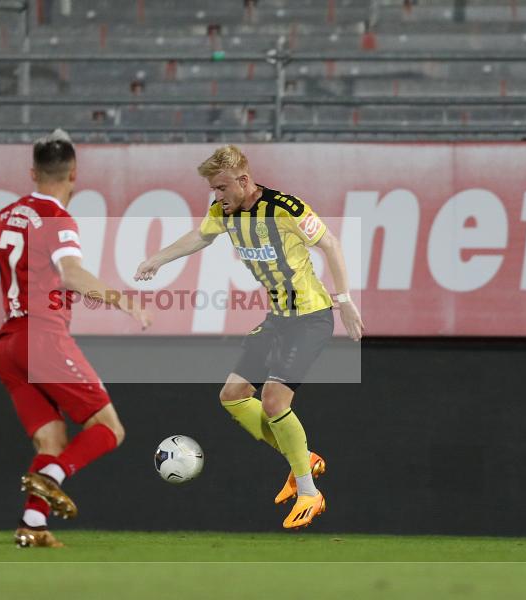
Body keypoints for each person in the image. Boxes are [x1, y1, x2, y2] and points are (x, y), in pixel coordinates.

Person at [135, 145, 363, 529]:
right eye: (213, 190)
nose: (217, 197)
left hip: (310, 317)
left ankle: (310, 493)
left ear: (243, 181)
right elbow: (199, 237)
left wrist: (344, 301)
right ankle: (301, 458)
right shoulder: (223, 213)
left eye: (222, 188)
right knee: (233, 396)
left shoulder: (285, 209)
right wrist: (158, 259)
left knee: (273, 401)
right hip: (277, 318)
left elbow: (330, 244)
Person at [0, 130, 151, 547]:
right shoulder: (57, 219)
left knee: (52, 439)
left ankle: (33, 526)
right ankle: (54, 477)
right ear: (74, 174)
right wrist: (122, 300)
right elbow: (72, 274)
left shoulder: (7, 214)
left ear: (33, 172)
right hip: (42, 337)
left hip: (7, 347)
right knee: (109, 429)